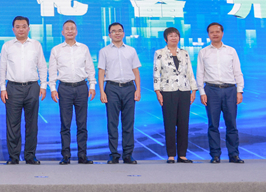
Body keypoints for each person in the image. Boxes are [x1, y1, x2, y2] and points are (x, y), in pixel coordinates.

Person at [0, 16, 47, 165]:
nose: (21, 29)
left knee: (32, 123)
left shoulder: (36, 45)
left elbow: (42, 66)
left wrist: (43, 86)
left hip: (32, 87)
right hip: (13, 87)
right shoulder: (7, 46)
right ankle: (13, 156)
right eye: (18, 27)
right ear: (13, 29)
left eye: (24, 26)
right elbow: (2, 68)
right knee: (13, 124)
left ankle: (30, 156)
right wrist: (2, 88)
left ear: (29, 28)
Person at [47, 20, 96, 165]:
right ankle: (66, 156)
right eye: (67, 29)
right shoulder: (56, 50)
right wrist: (53, 89)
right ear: (62, 32)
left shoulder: (84, 48)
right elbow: (52, 71)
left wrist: (92, 85)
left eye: (72, 28)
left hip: (81, 87)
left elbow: (90, 68)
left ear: (76, 31)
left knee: (82, 124)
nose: (70, 31)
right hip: (64, 88)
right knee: (65, 124)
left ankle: (82, 156)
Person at [196, 22, 245, 164]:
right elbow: (200, 73)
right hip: (211, 90)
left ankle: (234, 155)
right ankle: (215, 155)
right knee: (213, 125)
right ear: (208, 35)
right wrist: (202, 92)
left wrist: (239, 91)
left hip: (230, 90)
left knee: (232, 124)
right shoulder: (203, 52)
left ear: (222, 33)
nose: (215, 34)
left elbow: (237, 71)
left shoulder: (231, 51)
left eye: (217, 31)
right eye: (212, 32)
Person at [97, 22, 141, 164]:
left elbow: (136, 71)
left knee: (128, 123)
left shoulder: (131, 50)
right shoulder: (104, 51)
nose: (117, 33)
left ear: (124, 33)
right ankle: (114, 154)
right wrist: (102, 91)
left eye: (120, 30)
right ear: (109, 34)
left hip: (129, 88)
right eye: (114, 31)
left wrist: (138, 89)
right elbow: (101, 72)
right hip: (112, 88)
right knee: (112, 123)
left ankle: (128, 154)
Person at [152, 27, 197, 164]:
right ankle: (171, 155)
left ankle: (182, 155)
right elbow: (156, 73)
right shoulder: (159, 53)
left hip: (184, 90)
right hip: (167, 91)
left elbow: (190, 72)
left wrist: (194, 90)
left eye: (176, 35)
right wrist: (157, 91)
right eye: (170, 36)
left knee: (184, 124)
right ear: (166, 39)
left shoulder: (184, 53)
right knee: (169, 123)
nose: (173, 38)